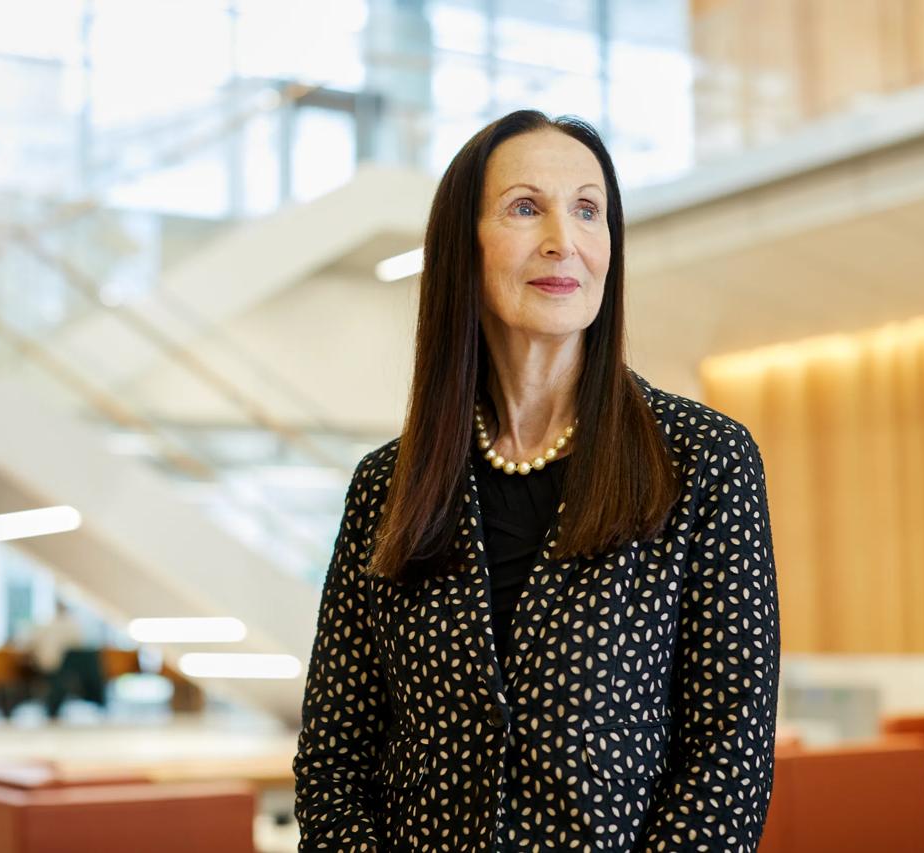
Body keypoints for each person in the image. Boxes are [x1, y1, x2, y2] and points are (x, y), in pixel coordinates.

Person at [292, 110, 781, 851]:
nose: (563, 239)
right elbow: (336, 758)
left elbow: (727, 757)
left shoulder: (703, 460)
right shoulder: (386, 484)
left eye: (588, 209)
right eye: (526, 207)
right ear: (465, 247)